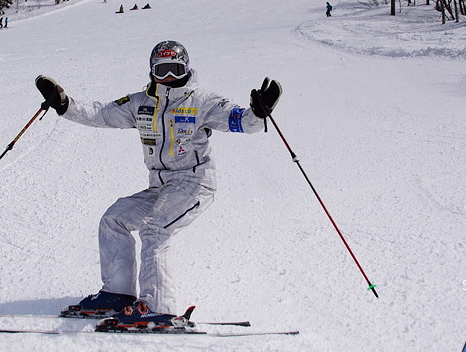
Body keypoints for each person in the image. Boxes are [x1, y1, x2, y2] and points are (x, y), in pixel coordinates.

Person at [35, 41, 282, 327]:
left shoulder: (202, 101)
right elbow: (101, 113)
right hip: (160, 188)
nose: (167, 77)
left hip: (194, 185)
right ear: (152, 71)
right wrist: (64, 105)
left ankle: (159, 307)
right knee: (114, 218)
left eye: (174, 70)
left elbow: (240, 121)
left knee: (155, 228)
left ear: (185, 70)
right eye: (161, 70)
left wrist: (259, 112)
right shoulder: (140, 103)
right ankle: (118, 294)